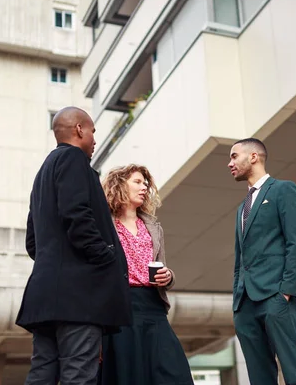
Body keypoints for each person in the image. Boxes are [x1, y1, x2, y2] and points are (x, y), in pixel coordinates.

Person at [16, 107, 132, 385]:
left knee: (43, 372)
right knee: (79, 374)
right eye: (93, 131)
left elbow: (33, 241)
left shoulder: (43, 173)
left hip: (46, 296)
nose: (94, 140)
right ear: (80, 130)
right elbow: (77, 215)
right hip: (79, 297)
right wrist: (106, 256)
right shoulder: (74, 160)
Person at [98, 164, 194, 385]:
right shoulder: (103, 225)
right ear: (120, 184)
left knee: (175, 373)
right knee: (128, 376)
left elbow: (163, 266)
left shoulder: (153, 226)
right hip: (120, 310)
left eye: (146, 183)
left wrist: (168, 276)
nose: (144, 188)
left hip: (154, 308)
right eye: (137, 182)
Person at [227, 138, 296, 385]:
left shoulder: (284, 189)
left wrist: (286, 292)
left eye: (234, 156)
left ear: (253, 156)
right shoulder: (242, 208)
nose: (229, 163)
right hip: (245, 304)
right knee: (259, 378)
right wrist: (236, 302)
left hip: (275, 297)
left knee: (294, 373)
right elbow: (239, 259)